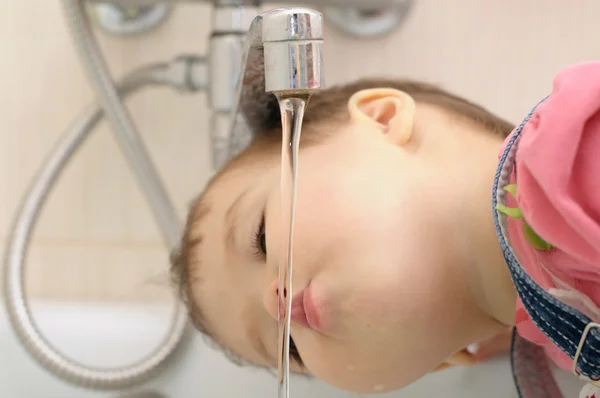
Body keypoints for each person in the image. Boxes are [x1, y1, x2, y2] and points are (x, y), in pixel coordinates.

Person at [169, 62, 600, 394]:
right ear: (442, 362)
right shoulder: (559, 329)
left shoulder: (569, 157)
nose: (275, 307)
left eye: (260, 237)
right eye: (290, 350)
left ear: (382, 119)